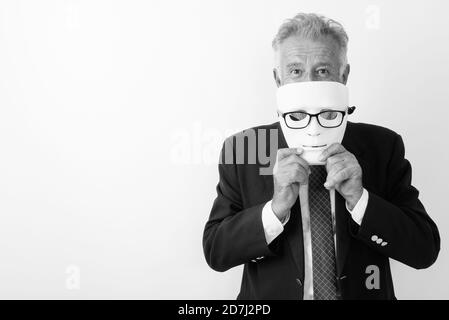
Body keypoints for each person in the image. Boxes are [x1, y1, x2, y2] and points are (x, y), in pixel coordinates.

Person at [202, 13, 440, 300]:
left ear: (344, 76)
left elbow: (424, 250)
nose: (309, 82)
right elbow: (216, 252)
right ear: (278, 79)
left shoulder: (382, 146)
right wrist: (274, 210)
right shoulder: (246, 147)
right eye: (295, 71)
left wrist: (360, 200)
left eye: (323, 70)